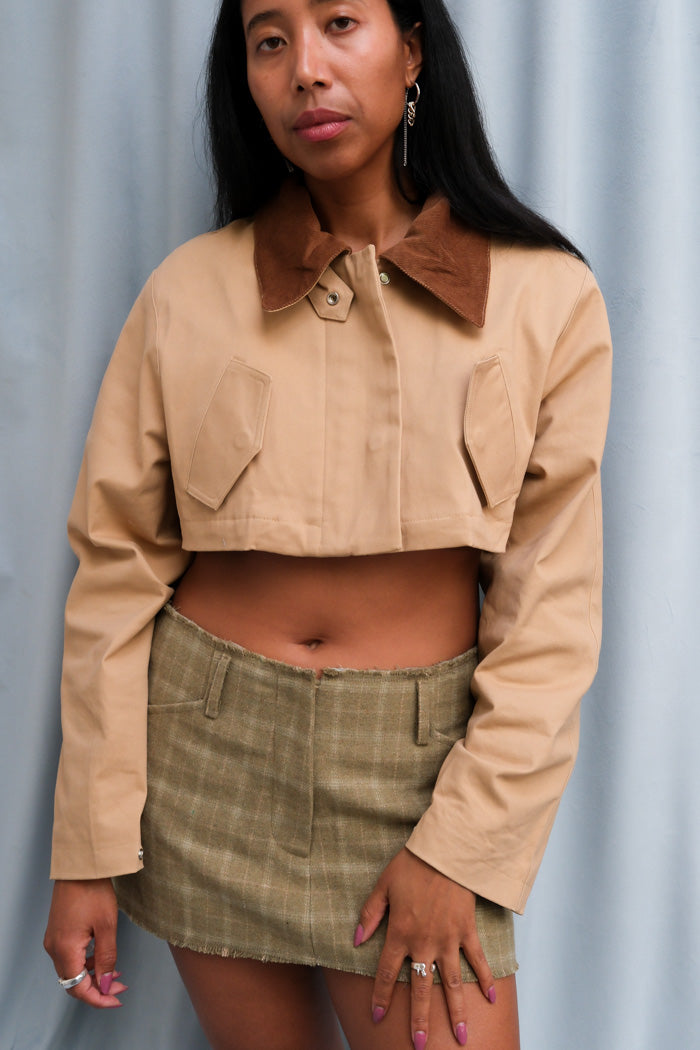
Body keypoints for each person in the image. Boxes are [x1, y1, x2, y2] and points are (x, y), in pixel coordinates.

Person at [43, 0, 612, 1046]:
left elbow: (552, 612)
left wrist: (459, 849)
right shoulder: (186, 292)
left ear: (414, 51)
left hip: (419, 777)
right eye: (270, 41)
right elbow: (115, 575)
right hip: (207, 758)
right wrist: (86, 849)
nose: (304, 67)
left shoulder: (545, 297)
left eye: (340, 23)